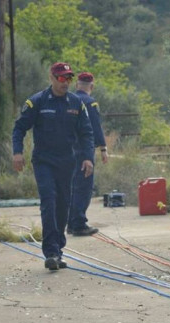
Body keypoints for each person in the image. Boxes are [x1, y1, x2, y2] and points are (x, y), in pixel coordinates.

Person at [12, 62, 95, 271]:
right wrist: (17, 153)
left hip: (67, 162)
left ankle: (58, 250)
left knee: (62, 206)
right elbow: (19, 127)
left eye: (68, 78)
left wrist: (88, 157)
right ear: (51, 77)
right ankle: (50, 252)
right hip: (44, 162)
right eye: (61, 78)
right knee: (49, 201)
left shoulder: (76, 103)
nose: (65, 82)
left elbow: (86, 133)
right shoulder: (37, 102)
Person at [66, 72, 109, 236]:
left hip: (67, 150)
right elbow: (94, 128)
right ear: (91, 86)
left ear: (77, 85)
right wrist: (103, 148)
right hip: (84, 151)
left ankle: (70, 223)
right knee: (84, 188)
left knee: (72, 187)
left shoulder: (68, 100)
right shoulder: (90, 103)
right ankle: (79, 223)